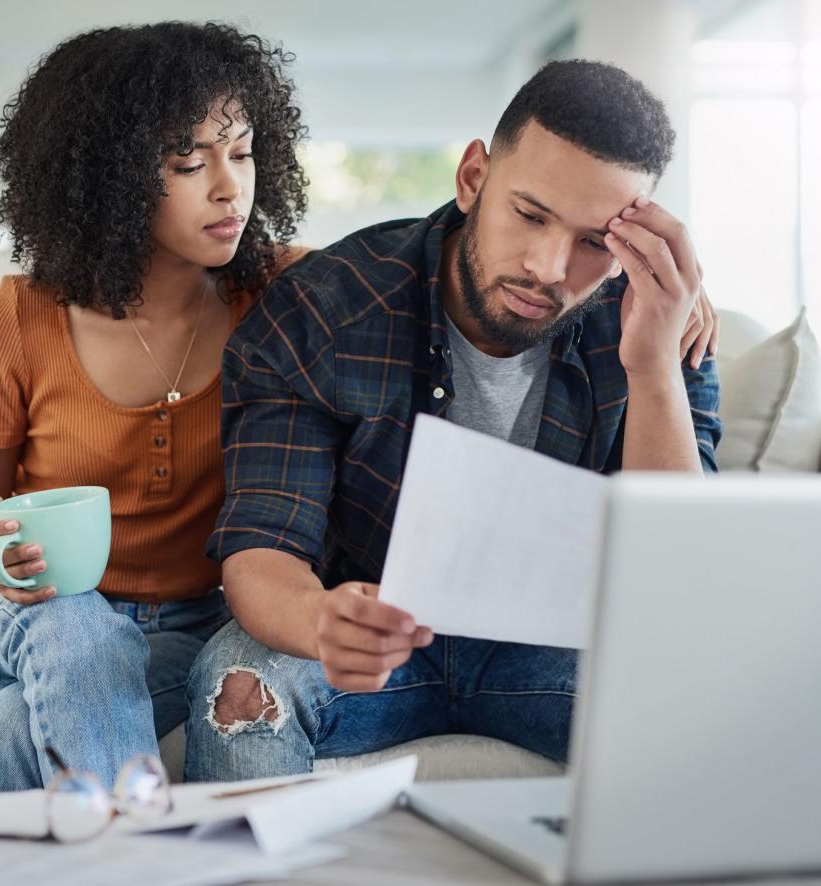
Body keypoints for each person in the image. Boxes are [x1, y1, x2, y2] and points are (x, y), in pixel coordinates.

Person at [183, 59, 722, 781]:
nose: (548, 267)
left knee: (708, 703)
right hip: (376, 633)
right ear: (473, 178)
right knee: (238, 682)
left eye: (595, 241)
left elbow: (683, 580)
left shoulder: (660, 323)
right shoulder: (326, 308)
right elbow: (262, 546)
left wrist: (652, 365)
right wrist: (323, 621)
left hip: (554, 651)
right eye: (529, 215)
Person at [0, 21, 308, 792]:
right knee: (72, 618)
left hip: (181, 631)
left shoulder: (280, 296)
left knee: (11, 728)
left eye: (244, 150)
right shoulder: (18, 321)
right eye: (190, 162)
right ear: (109, 178)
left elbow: (416, 275)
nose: (231, 186)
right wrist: (2, 563)